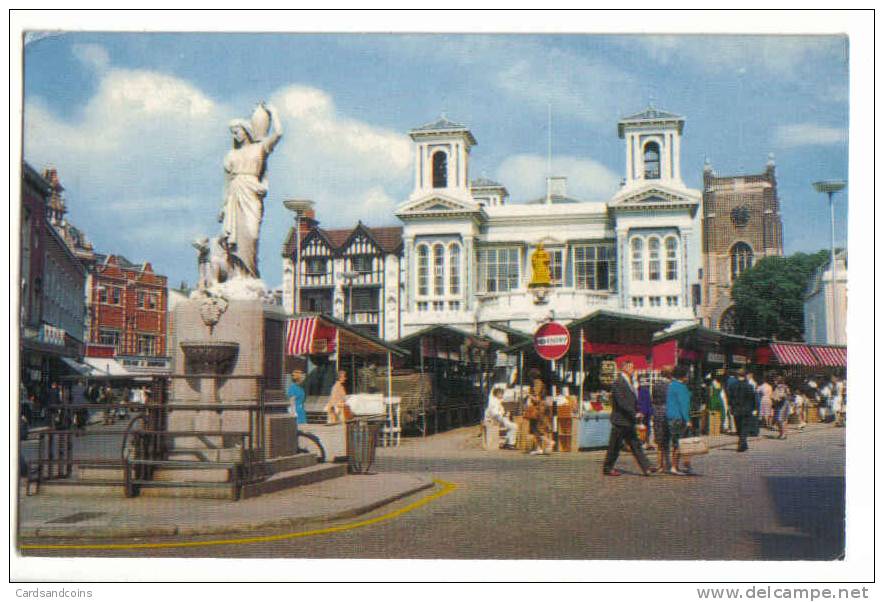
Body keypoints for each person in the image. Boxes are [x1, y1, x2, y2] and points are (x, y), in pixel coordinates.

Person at [219, 103, 283, 280]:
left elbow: (278, 134)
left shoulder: (260, 147)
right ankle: (237, 276)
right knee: (234, 238)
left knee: (252, 235)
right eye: (232, 132)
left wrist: (274, 111)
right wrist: (223, 207)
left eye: (237, 130)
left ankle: (251, 276)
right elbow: (226, 183)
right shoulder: (231, 155)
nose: (235, 135)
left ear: (246, 130)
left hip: (251, 191)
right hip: (235, 193)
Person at [602, 360, 651, 477]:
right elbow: (622, 402)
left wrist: (637, 412)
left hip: (628, 420)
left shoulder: (630, 382)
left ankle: (647, 468)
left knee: (635, 445)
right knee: (614, 446)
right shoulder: (618, 382)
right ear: (624, 368)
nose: (633, 369)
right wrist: (634, 413)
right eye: (631, 367)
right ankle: (607, 468)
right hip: (620, 420)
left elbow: (633, 399)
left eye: (633, 367)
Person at [666, 367, 694, 475]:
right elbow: (684, 405)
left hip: (671, 417)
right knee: (681, 443)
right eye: (686, 375)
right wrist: (687, 420)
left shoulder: (671, 385)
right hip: (679, 418)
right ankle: (675, 466)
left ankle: (683, 465)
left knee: (676, 442)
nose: (687, 377)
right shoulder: (682, 387)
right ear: (683, 376)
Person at [651, 366, 673, 473]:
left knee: (660, 441)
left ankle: (660, 465)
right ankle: (668, 464)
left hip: (657, 413)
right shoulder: (671, 385)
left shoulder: (656, 385)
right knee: (668, 440)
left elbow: (654, 400)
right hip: (668, 414)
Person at [730, 369, 757, 452]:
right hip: (747, 409)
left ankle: (744, 444)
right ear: (745, 375)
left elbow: (730, 398)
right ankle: (742, 444)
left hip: (736, 409)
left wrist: (731, 407)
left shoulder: (732, 385)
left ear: (737, 376)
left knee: (739, 427)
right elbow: (753, 398)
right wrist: (754, 408)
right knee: (745, 427)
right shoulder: (749, 386)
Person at [525, 377, 553, 455]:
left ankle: (549, 442)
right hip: (539, 413)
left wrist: (530, 396)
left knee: (538, 431)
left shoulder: (537, 387)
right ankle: (539, 448)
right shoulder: (541, 388)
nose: (533, 387)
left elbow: (538, 400)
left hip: (537, 413)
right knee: (535, 431)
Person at [771, 375, 791, 440]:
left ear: (778, 381)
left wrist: (779, 397)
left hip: (782, 405)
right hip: (781, 404)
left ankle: (783, 434)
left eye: (775, 380)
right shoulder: (779, 387)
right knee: (781, 420)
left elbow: (785, 395)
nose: (774, 382)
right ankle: (782, 433)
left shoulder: (782, 387)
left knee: (781, 420)